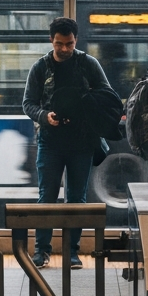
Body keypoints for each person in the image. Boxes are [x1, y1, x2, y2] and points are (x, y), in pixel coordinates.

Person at [22, 16, 113, 269]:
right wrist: (44, 116)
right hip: (50, 141)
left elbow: (106, 95)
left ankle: (72, 252)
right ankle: (41, 251)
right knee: (46, 197)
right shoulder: (40, 67)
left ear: (76, 41)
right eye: (59, 44)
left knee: (76, 198)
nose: (64, 49)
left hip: (82, 142)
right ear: (51, 40)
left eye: (69, 44)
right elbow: (28, 103)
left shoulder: (88, 64)